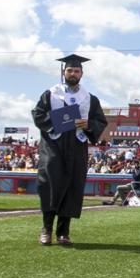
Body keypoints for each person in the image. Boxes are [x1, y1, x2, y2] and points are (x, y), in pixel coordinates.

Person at [31, 53, 108, 246]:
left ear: (82, 73)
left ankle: (63, 232)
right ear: (63, 72)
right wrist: (63, 121)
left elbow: (100, 121)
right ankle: (46, 229)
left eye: (76, 71)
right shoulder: (51, 94)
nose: (73, 73)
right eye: (70, 70)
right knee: (50, 185)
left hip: (76, 146)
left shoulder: (89, 99)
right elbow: (38, 115)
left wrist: (88, 124)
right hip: (53, 146)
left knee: (72, 188)